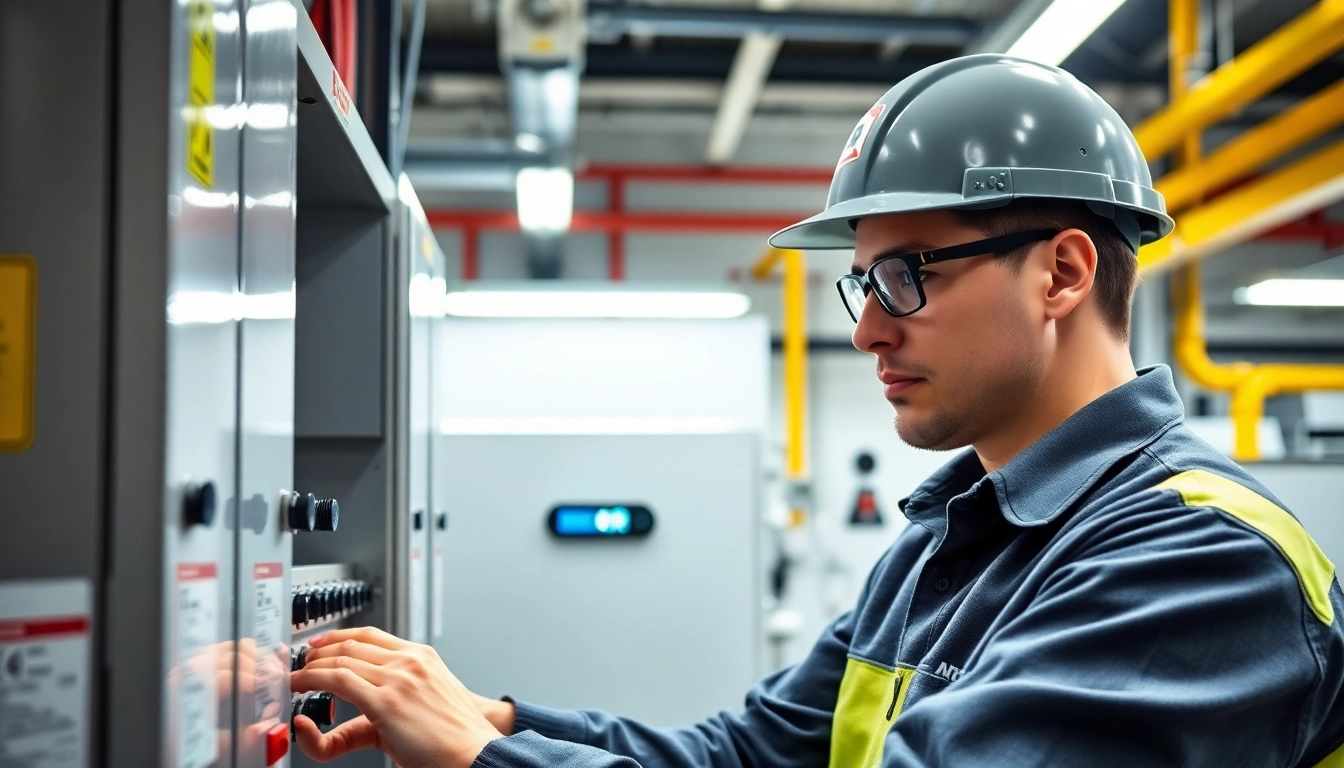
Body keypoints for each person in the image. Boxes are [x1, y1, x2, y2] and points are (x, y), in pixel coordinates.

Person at [289, 54, 1344, 768]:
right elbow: (751, 754)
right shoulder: (947, 543)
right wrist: (501, 723)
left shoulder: (1200, 561)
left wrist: (489, 761)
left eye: (908, 277)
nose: (869, 330)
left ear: (1061, 273)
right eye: (864, 284)